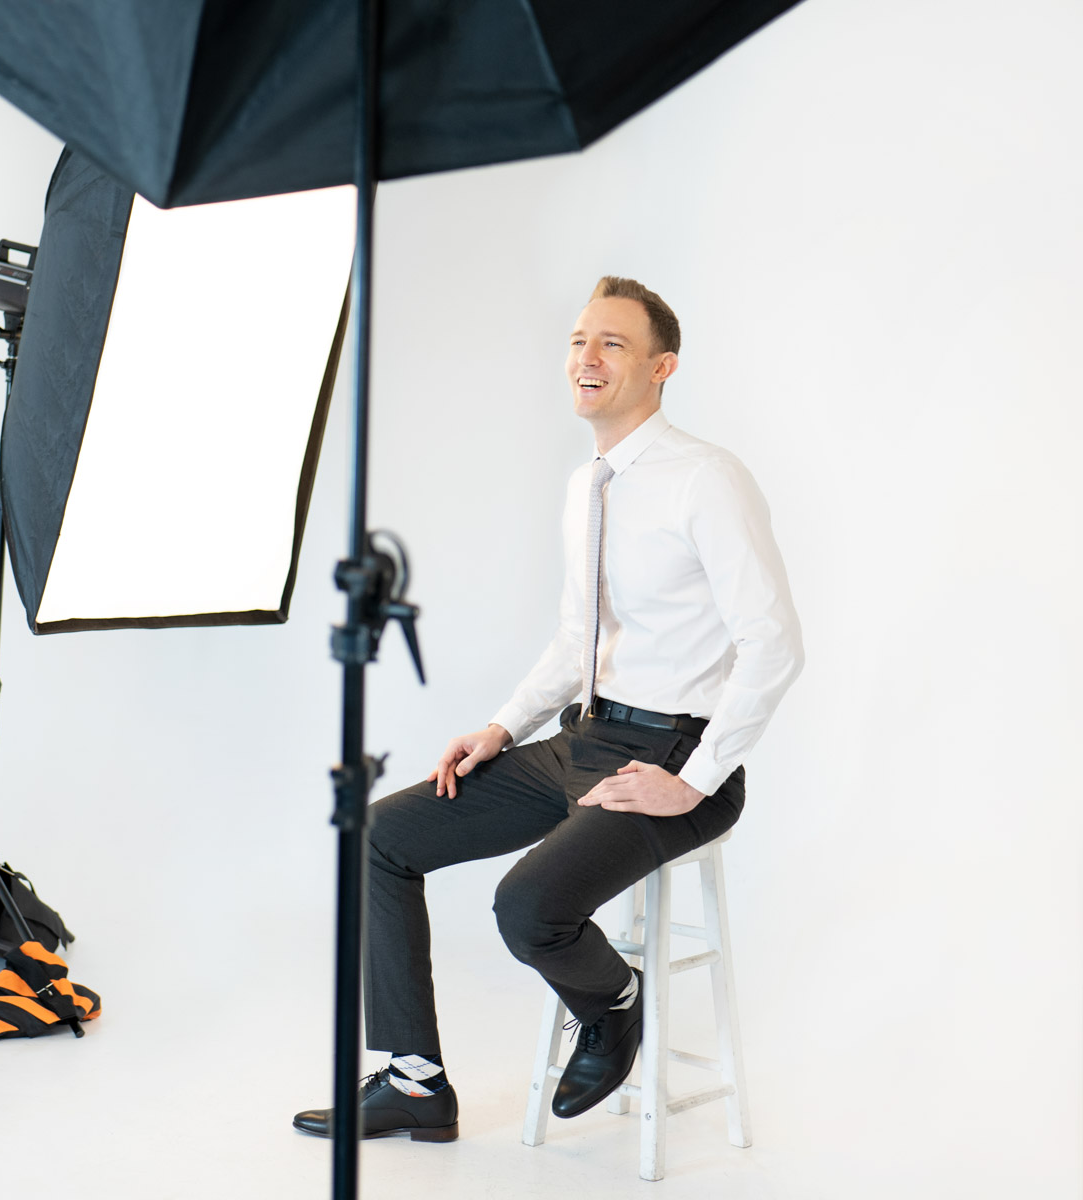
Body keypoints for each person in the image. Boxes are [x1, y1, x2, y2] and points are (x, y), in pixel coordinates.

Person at [294, 276, 804, 1141]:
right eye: (577, 341)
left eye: (611, 343)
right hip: (582, 740)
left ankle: (616, 1007)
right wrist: (501, 729)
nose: (586, 358)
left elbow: (775, 643)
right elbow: (578, 642)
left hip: (673, 758)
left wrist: (698, 778)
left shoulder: (705, 480)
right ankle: (415, 1081)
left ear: (662, 366)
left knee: (527, 906)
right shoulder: (588, 486)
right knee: (381, 837)